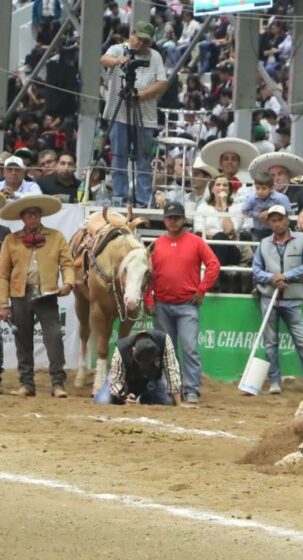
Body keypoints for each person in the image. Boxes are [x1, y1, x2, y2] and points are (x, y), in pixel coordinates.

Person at [145, 202, 221, 405]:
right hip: (162, 304)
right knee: (166, 351)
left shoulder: (195, 242)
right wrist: (149, 299)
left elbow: (214, 265)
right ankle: (174, 390)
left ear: (184, 219)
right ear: (164, 219)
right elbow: (147, 276)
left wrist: (202, 288)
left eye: (177, 217)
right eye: (170, 217)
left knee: (189, 348)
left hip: (187, 304)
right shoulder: (156, 244)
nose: (173, 221)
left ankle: (192, 389)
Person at [0, 195, 74, 398]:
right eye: (29, 214)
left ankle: (58, 383)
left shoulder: (56, 236)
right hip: (19, 295)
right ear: (22, 217)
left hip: (47, 295)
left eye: (36, 213)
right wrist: (3, 304)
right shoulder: (11, 240)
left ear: (41, 216)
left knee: (55, 337)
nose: (33, 217)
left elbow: (67, 263)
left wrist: (68, 283)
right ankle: (27, 384)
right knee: (22, 340)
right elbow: (3, 274)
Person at [100, 21, 168, 207]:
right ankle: (119, 198)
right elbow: (103, 59)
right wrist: (117, 61)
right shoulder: (117, 49)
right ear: (132, 35)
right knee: (118, 156)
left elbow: (162, 82)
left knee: (143, 158)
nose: (140, 44)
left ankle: (144, 200)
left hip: (144, 115)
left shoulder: (154, 56)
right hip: (118, 112)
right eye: (138, 39)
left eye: (146, 41)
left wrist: (140, 95)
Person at [252, 205, 303, 395]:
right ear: (270, 222)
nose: (277, 223)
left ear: (287, 220)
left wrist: (285, 276)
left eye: (280, 219)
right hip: (269, 297)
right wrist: (272, 278)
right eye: (273, 220)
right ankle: (275, 381)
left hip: (293, 299)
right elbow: (256, 270)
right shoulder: (263, 244)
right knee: (270, 343)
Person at [94, 330, 183, 406]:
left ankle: (140, 399)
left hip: (151, 380)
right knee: (103, 401)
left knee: (168, 401)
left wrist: (179, 403)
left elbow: (172, 369)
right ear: (133, 350)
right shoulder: (121, 349)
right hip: (125, 381)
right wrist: (124, 396)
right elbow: (115, 381)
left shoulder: (164, 340)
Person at [248, 152, 303, 232]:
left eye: (280, 174)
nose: (276, 178)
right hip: (266, 235)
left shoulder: (299, 190)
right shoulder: (261, 194)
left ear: (288, 175)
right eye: (272, 175)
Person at [241, 172, 293, 241]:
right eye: (257, 188)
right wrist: (258, 215)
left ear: (271, 188)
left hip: (278, 231)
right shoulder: (251, 198)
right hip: (258, 231)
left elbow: (288, 211)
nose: (260, 191)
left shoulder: (281, 198)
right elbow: (245, 210)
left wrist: (271, 212)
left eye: (263, 188)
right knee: (258, 250)